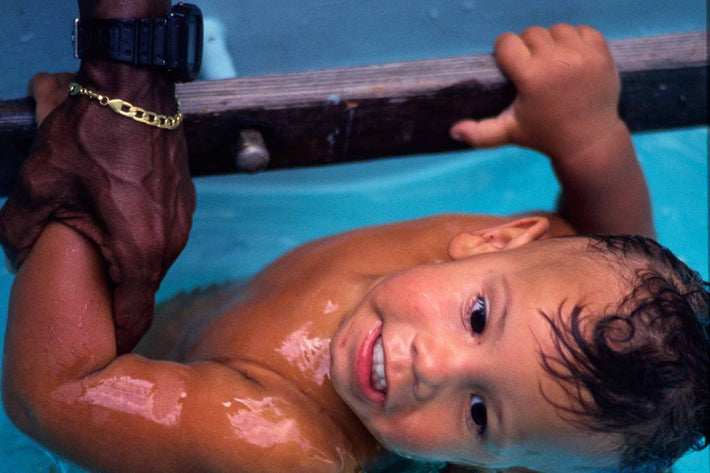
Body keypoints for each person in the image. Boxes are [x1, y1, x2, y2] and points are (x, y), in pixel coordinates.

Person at [1, 18, 708, 473]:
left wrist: (83, 198)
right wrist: (588, 134)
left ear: (496, 466)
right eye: (477, 319)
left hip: (136, 344)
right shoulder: (552, 264)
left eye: (479, 414)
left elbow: (55, 394)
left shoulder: (282, 441)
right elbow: (622, 242)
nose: (430, 367)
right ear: (500, 237)